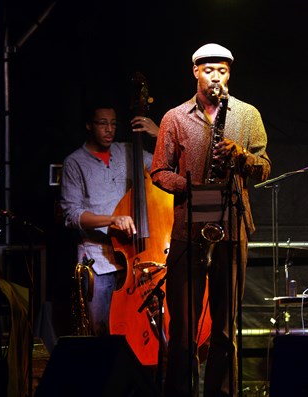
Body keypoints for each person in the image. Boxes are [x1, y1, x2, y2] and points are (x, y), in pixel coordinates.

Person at [150, 43, 271, 397]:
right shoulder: (174, 117)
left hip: (231, 229)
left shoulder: (248, 115)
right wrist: (189, 185)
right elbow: (159, 170)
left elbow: (264, 168)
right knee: (184, 328)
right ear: (195, 72)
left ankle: (221, 393)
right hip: (189, 229)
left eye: (221, 71)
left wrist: (241, 155)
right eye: (208, 71)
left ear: (229, 74)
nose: (215, 77)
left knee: (225, 326)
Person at [60, 101, 159, 336]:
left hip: (135, 257)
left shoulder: (127, 151)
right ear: (88, 125)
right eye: (102, 123)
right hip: (99, 261)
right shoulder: (74, 162)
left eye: (113, 124)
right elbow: (71, 215)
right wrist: (112, 220)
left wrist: (160, 133)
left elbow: (165, 167)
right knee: (101, 331)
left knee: (137, 330)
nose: (109, 130)